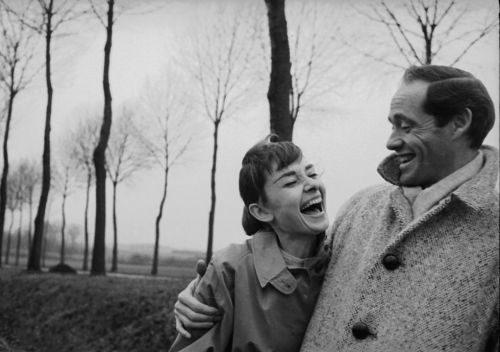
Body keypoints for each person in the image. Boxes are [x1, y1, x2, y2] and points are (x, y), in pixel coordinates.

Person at [172, 65, 499, 352]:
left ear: (459, 123)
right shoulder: (360, 209)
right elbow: (291, 264)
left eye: (406, 126)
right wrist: (214, 288)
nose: (390, 141)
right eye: (392, 125)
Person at [169, 138, 331, 352]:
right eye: (291, 182)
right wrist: (206, 289)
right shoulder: (230, 269)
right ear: (262, 211)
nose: (312, 184)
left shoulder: (343, 257)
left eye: (311, 174)